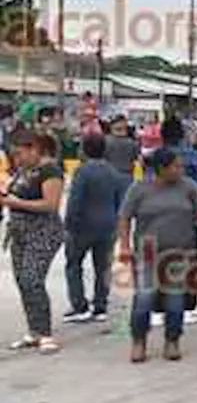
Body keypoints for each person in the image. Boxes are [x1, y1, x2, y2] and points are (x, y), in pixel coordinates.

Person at [117, 148, 197, 362]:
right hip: (148, 254)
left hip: (180, 254)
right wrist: (124, 246)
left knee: (175, 301)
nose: (180, 170)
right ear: (161, 169)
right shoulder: (139, 189)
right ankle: (139, 341)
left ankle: (172, 340)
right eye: (176, 166)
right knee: (144, 298)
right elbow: (124, 217)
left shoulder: (189, 186)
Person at [4, 131, 66, 353]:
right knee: (23, 281)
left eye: (20, 154)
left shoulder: (50, 171)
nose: (17, 160)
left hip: (43, 232)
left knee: (33, 279)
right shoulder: (23, 171)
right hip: (19, 232)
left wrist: (17, 203)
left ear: (33, 149)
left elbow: (50, 205)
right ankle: (34, 331)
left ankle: (46, 333)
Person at [63, 133, 128, 322]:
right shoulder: (114, 172)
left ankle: (79, 305)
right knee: (102, 268)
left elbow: (75, 201)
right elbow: (120, 201)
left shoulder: (82, 172)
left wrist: (69, 224)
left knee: (74, 265)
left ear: (83, 149)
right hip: (108, 226)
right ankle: (100, 306)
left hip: (83, 226)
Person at [160, 115, 197, 322]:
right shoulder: (194, 156)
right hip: (189, 217)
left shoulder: (157, 157)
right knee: (189, 259)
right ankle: (189, 303)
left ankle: (162, 302)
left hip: (161, 218)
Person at [104, 114, 139, 180]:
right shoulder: (132, 142)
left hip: (109, 177)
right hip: (127, 177)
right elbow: (137, 159)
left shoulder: (105, 141)